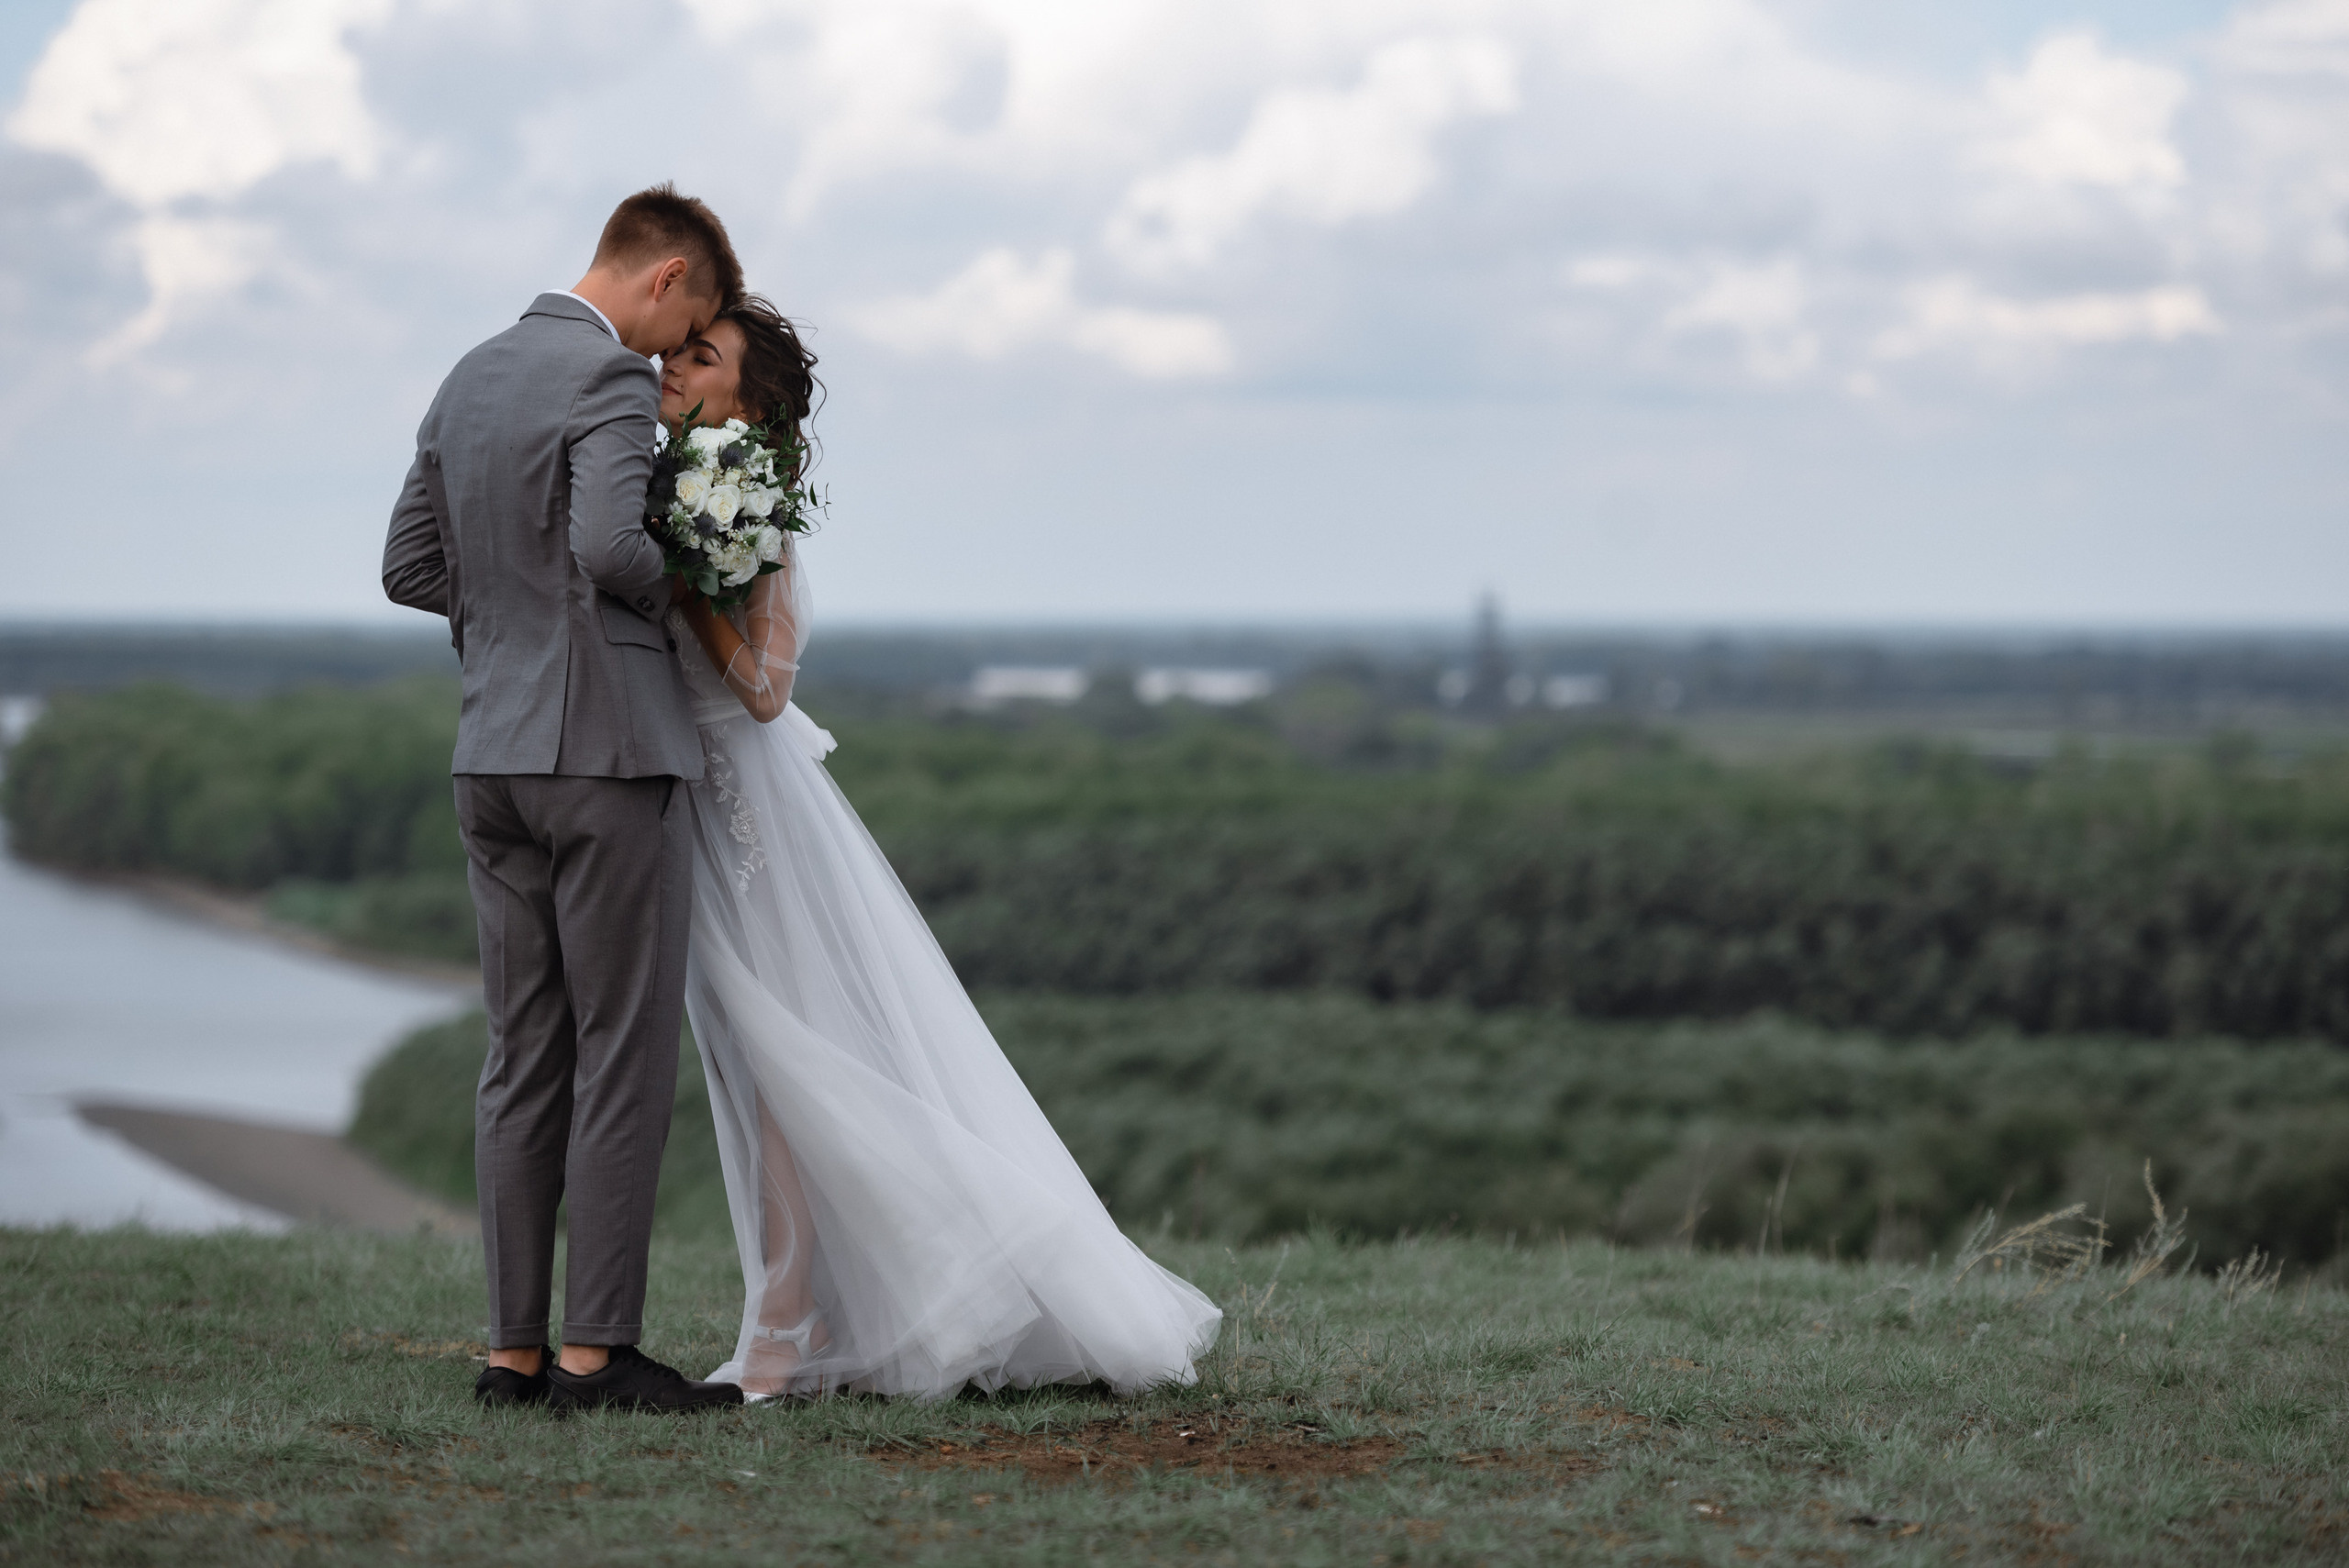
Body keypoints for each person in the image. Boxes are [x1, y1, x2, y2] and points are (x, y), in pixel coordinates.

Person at [656, 297, 1222, 1400]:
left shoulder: (744, 503)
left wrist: (687, 595)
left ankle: (791, 1315)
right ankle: (805, 1304)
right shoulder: (671, 482)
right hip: (690, 805)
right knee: (746, 1055)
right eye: (679, 349)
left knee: (783, 1062)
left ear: (752, 403)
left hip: (751, 812)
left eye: (701, 355)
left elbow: (765, 692)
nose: (674, 365)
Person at [383, 184, 747, 1413]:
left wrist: (514, 624)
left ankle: (512, 1356)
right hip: (605, 754)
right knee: (622, 1050)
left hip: (490, 754)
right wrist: (689, 587)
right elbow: (608, 550)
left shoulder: (469, 374)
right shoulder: (607, 379)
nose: (675, 351)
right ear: (667, 276)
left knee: (521, 1051)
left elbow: (408, 566)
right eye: (689, 320)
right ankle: (595, 1356)